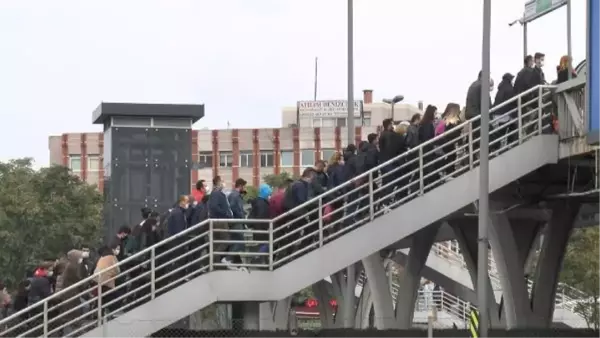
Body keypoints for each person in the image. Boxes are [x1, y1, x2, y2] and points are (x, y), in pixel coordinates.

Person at [208, 176, 234, 267]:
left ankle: (215, 263)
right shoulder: (216, 193)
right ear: (218, 182)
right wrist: (225, 214)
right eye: (222, 181)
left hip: (218, 220)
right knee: (226, 240)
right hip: (220, 221)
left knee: (218, 242)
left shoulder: (217, 193)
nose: (224, 183)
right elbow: (214, 207)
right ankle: (214, 257)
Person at [94, 244, 121, 316]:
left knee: (101, 299)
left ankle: (99, 315)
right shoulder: (112, 257)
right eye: (117, 249)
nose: (118, 251)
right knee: (111, 298)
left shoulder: (102, 257)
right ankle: (108, 314)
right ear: (112, 249)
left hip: (98, 280)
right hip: (107, 281)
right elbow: (117, 270)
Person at [248, 183, 272, 259]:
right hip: (261, 228)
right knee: (267, 243)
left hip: (258, 228)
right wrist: (267, 227)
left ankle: (259, 258)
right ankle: (257, 258)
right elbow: (262, 217)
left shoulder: (259, 201)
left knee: (263, 244)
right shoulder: (262, 203)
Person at [493, 73, 517, 147]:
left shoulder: (500, 88)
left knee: (501, 133)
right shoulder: (509, 88)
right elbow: (513, 101)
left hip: (498, 114)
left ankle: (498, 148)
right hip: (506, 114)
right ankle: (510, 145)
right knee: (514, 128)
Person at [228, 178, 248, 264]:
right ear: (240, 186)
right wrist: (240, 215)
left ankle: (235, 262)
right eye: (244, 186)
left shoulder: (235, 195)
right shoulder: (235, 195)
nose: (245, 188)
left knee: (236, 242)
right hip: (236, 222)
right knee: (239, 242)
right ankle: (228, 258)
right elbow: (233, 208)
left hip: (237, 221)